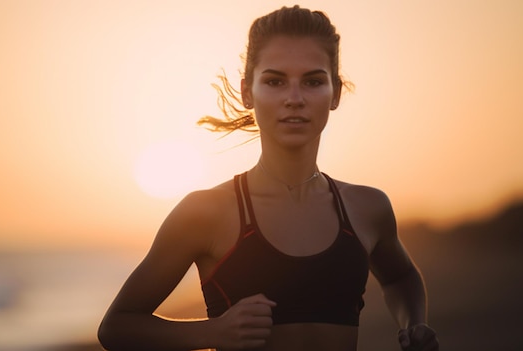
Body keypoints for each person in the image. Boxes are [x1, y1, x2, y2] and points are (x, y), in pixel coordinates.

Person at [98, 5, 439, 351]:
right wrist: (212, 332)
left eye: (313, 81)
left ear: (335, 92)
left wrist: (415, 323)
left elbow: (400, 277)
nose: (294, 98)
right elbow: (116, 327)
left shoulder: (368, 208)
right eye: (275, 81)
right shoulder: (206, 213)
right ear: (248, 91)